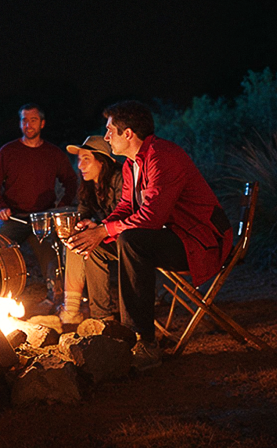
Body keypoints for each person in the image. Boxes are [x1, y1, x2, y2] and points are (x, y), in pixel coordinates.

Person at [68, 100, 233, 371]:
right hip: (172, 235)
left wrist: (104, 230)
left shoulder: (162, 157)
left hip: (201, 241)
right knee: (97, 244)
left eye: (110, 131)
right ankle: (106, 324)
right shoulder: (130, 164)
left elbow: (151, 218)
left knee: (132, 241)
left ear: (128, 133)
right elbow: (125, 208)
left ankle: (142, 342)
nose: (106, 136)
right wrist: (98, 230)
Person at [0, 104, 78, 302]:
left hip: (43, 216)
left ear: (42, 123)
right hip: (13, 217)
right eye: (24, 120)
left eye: (33, 120)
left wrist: (63, 204)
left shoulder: (53, 153)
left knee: (52, 257)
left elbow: (70, 180)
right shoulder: (8, 151)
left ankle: (57, 299)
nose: (28, 124)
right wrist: (0, 206)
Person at [59, 135, 123, 326]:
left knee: (88, 243)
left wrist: (98, 226)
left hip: (128, 238)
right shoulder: (88, 185)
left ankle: (101, 316)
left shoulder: (120, 179)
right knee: (77, 240)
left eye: (86, 159)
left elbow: (126, 215)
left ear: (102, 161)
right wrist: (80, 224)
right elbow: (83, 211)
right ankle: (72, 310)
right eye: (79, 160)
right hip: (107, 236)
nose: (80, 165)